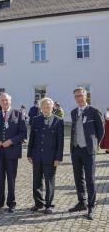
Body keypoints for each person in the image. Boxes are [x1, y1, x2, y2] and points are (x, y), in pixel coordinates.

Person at [68, 87, 103, 220]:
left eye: (81, 95)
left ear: (86, 95)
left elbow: (101, 131)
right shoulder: (73, 112)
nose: (79, 98)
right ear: (74, 98)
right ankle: (81, 202)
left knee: (90, 179)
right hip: (76, 149)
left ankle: (91, 206)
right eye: (76, 96)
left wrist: (94, 144)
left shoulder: (94, 111)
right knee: (78, 177)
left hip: (89, 150)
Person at [0, 93, 27, 213]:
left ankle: (11, 202)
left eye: (7, 100)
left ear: (10, 101)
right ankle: (0, 200)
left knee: (11, 178)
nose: (5, 102)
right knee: (0, 178)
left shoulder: (18, 114)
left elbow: (23, 133)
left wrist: (11, 141)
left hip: (12, 153)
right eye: (2, 100)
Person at [27, 98, 64, 214]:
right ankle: (38, 203)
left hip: (51, 157)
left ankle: (49, 204)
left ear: (52, 107)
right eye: (44, 107)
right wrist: (29, 153)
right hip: (37, 155)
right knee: (36, 180)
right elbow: (32, 138)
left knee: (49, 181)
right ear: (41, 108)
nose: (46, 109)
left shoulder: (58, 121)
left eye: (48, 107)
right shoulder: (36, 120)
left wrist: (58, 158)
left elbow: (60, 141)